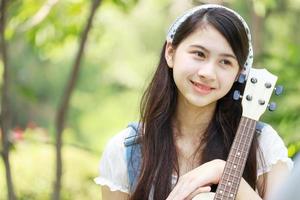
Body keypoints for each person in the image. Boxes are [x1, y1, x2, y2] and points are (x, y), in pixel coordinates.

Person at [95, 4, 293, 200]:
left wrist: (222, 171)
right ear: (170, 53)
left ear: (238, 74)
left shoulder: (261, 144)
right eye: (199, 54)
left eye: (225, 62)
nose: (207, 73)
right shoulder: (125, 151)